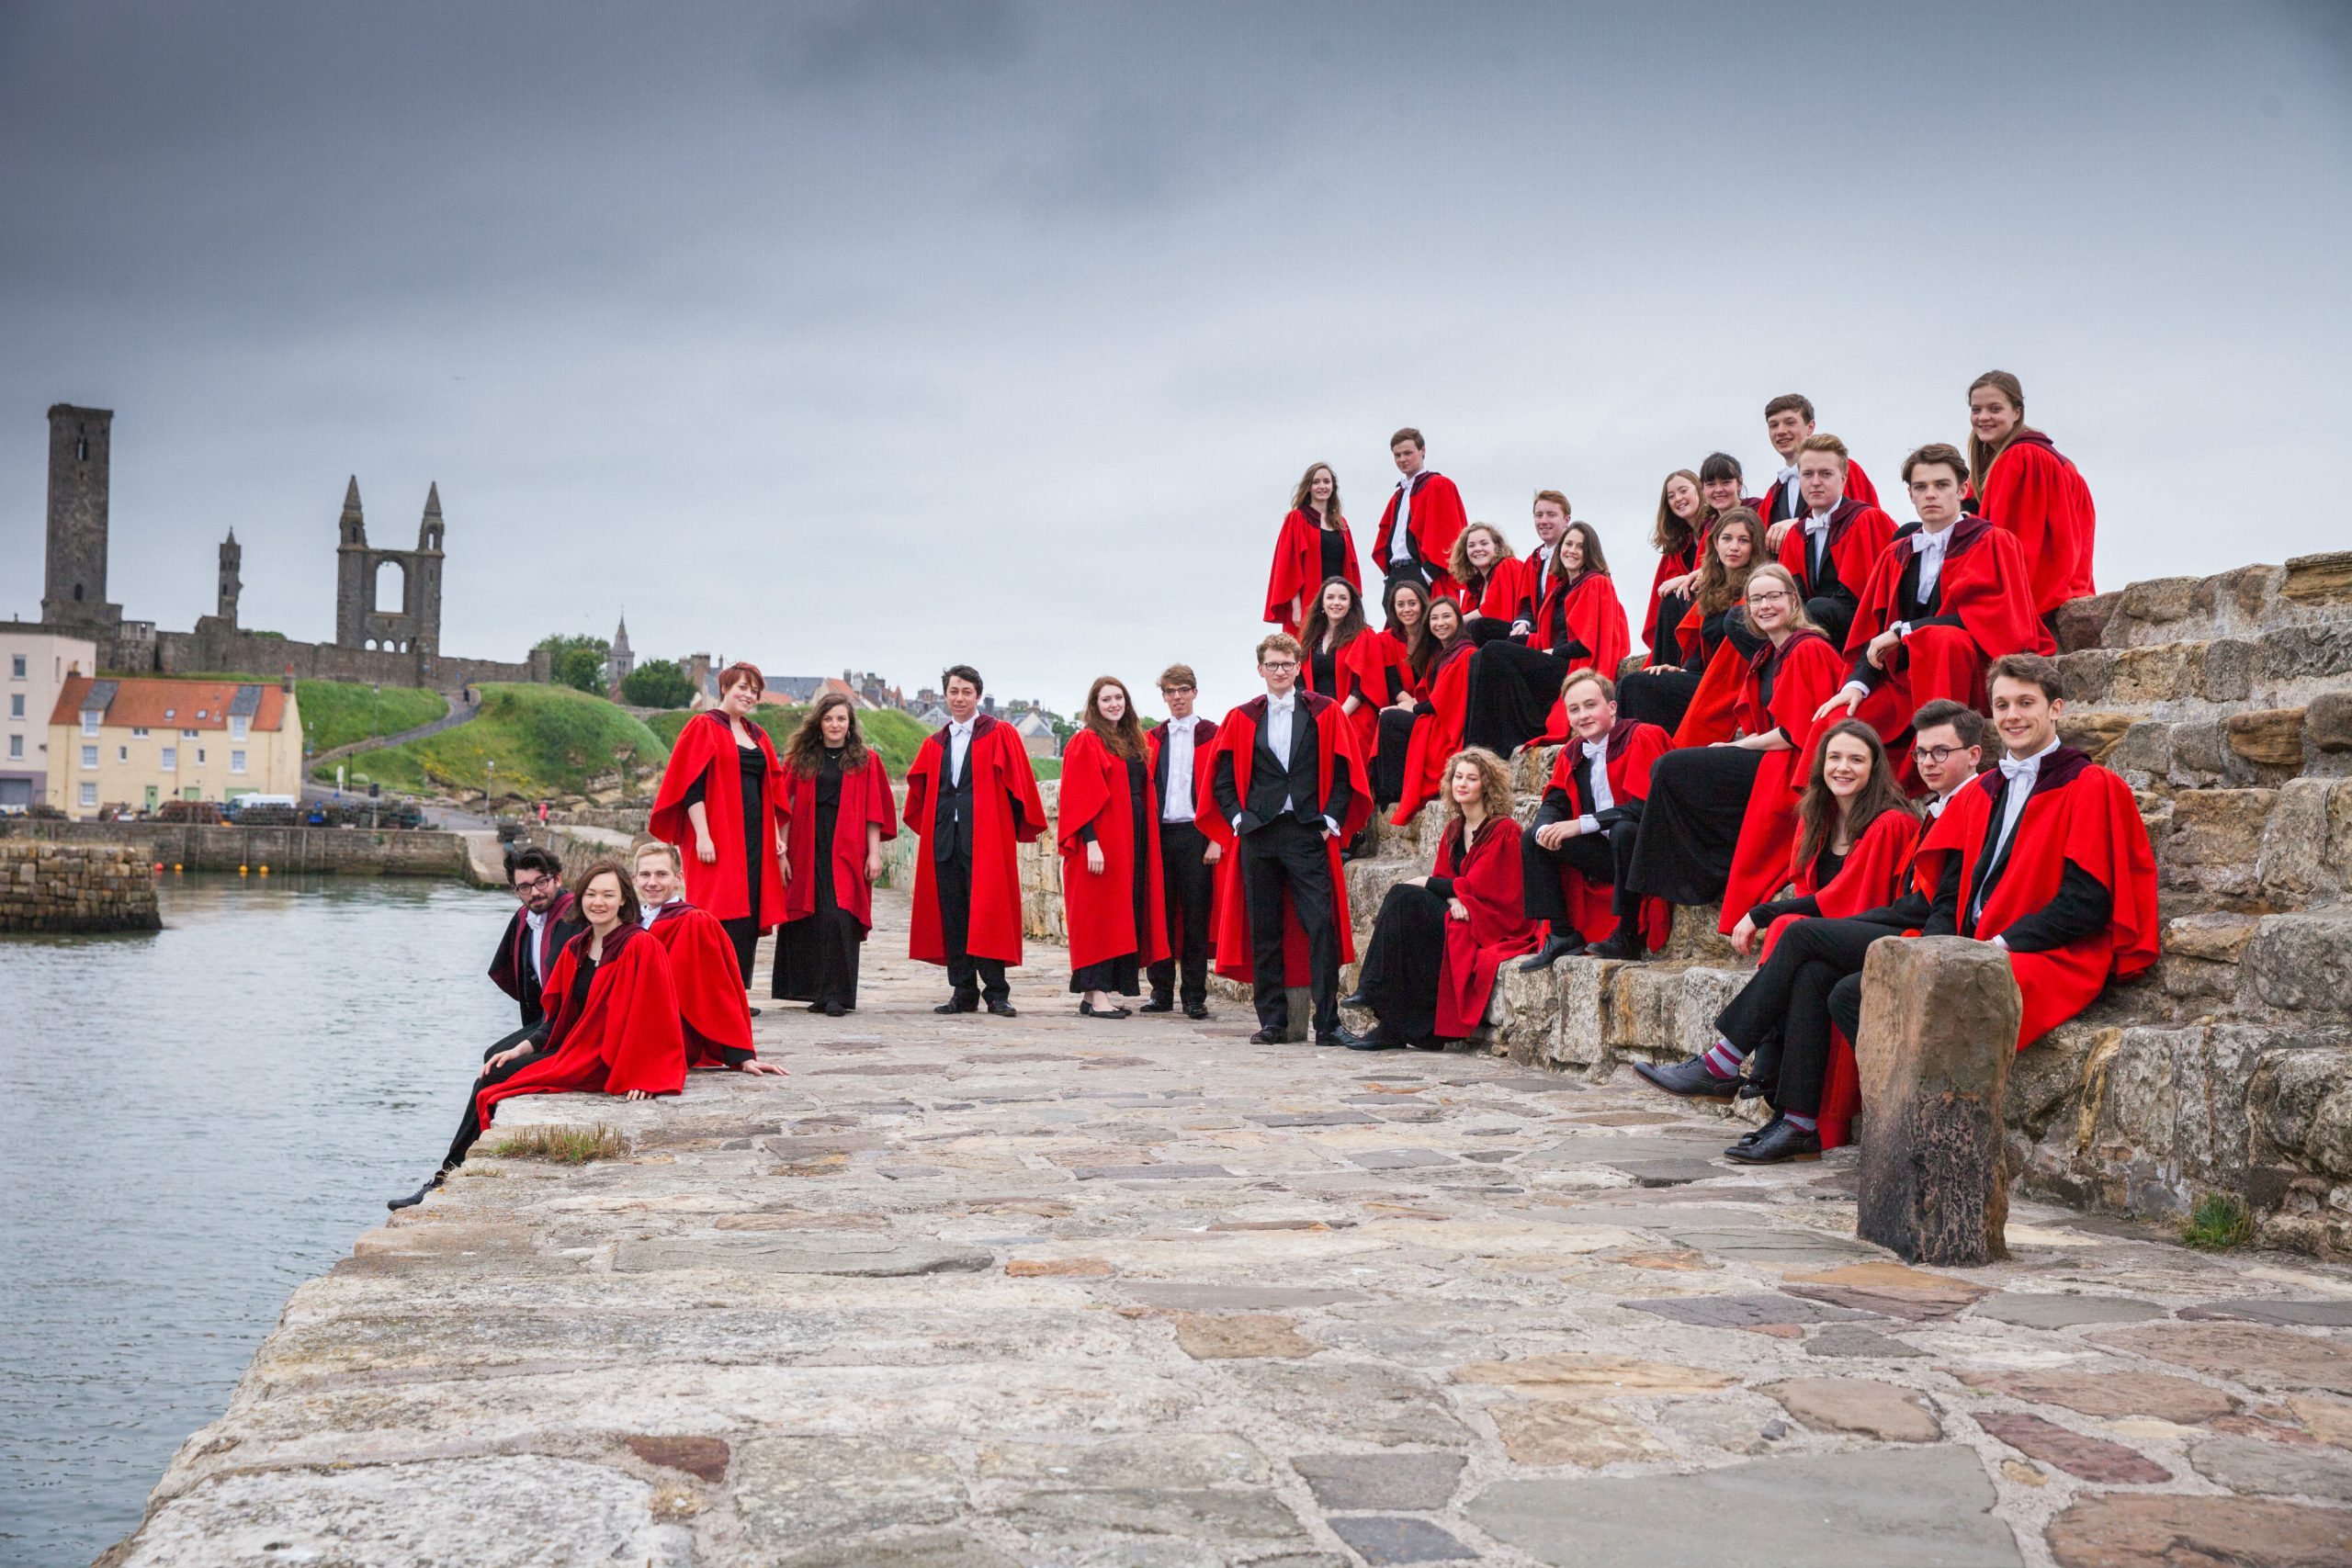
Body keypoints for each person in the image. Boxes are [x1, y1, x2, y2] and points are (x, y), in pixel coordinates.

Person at [1634, 722, 1920, 1163]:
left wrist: (1765, 913)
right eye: (1835, 757)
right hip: (1829, 945)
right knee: (1809, 971)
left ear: (1875, 768)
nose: (1843, 767)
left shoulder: (1890, 823)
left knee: (1795, 931)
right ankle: (1799, 1124)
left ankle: (1723, 1061)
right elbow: (1815, 897)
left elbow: (1846, 900)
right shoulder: (1818, 820)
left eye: (1856, 759)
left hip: (1877, 934)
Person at [390, 860, 684, 1210]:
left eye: (609, 894)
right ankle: (448, 1174)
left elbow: (657, 1017)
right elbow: (555, 1021)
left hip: (606, 1058)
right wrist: (520, 1049)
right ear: (582, 899)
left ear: (624, 900)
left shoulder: (640, 945)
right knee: (494, 1068)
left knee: (493, 1084)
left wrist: (646, 1074)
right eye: (591, 894)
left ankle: (445, 1177)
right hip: (573, 1047)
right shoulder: (578, 946)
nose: (598, 902)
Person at [1618, 563, 1847, 954]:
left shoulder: (1807, 648)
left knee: (1673, 768)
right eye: (1756, 599)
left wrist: (1738, 746)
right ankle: (1694, 873)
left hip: (1795, 766)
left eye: (1774, 596)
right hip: (1776, 755)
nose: (1764, 605)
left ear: (1793, 601)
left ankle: (1687, 877)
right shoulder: (1771, 654)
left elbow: (1797, 732)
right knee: (1669, 767)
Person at [1815, 443, 2048, 760]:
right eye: (1921, 487)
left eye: (1941, 485)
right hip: (1905, 682)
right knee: (1834, 725)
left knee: (1942, 640)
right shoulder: (1897, 553)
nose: (1930, 495)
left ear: (1963, 488)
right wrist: (1856, 685)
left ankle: (1938, 759)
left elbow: (1994, 619)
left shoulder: (1993, 542)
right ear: (1910, 494)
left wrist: (1905, 631)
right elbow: (1873, 632)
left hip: (1965, 678)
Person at [1209, 632, 1370, 1044]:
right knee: (1264, 931)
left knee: (1320, 926)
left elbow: (1343, 771)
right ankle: (1273, 1022)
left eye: (1287, 664)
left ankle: (1328, 1024)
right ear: (1260, 669)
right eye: (1272, 665)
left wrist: (1331, 819)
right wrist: (1238, 819)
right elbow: (1221, 780)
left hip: (1305, 832)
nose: (1279, 671)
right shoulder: (1242, 716)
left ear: (1298, 667)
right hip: (1259, 836)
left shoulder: (1324, 711)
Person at [1340, 747, 1539, 1051]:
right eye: (1458, 776)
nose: (1462, 783)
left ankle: (1373, 991)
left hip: (1493, 921)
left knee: (1405, 894)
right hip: (1460, 911)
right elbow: (1449, 882)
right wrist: (1452, 897)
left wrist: (1435, 885)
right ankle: (1391, 1024)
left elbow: (1486, 887)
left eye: (1472, 778)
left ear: (1487, 785)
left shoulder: (1504, 830)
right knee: (1405, 909)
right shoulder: (1454, 828)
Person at [904, 665, 1046, 1016]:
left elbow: (1019, 788)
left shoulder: (999, 734)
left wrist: (1003, 830)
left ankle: (997, 992)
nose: (959, 698)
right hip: (946, 839)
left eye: (967, 692)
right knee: (952, 915)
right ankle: (963, 990)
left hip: (985, 841)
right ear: (945, 695)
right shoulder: (936, 742)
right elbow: (923, 792)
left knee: (988, 915)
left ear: (978, 695)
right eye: (954, 692)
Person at [1518, 670, 1673, 969]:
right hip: (1606, 857)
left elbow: (1646, 808)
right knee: (1533, 839)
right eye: (1574, 709)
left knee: (1624, 831)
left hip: (1646, 853)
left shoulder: (1641, 736)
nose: (1583, 715)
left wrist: (1583, 823)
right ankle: (1562, 934)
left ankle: (1626, 935)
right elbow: (1554, 801)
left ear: (1612, 707)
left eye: (1591, 705)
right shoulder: (1573, 752)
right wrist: (1542, 828)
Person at [650, 662, 787, 990]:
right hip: (718, 836)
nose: (748, 695)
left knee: (749, 913)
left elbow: (768, 788)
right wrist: (703, 836)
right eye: (742, 687)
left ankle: (738, 991)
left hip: (755, 838)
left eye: (754, 691)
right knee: (718, 911)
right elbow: (691, 786)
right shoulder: (703, 726)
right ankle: (713, 992)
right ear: (725, 687)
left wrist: (775, 835)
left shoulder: (758, 735)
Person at [773, 692, 897, 1017]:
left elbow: (874, 813)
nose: (835, 724)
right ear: (819, 722)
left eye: (841, 718)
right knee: (811, 916)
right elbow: (785, 807)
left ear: (850, 723)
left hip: (848, 846)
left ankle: (838, 994)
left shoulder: (865, 760)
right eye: (829, 718)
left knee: (840, 916)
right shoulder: (801, 760)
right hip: (806, 844)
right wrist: (781, 853)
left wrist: (874, 854)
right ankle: (816, 992)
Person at [1462, 520, 1629, 756]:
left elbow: (1585, 644)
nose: (1571, 550)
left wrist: (1550, 652)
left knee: (1494, 652)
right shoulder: (1563, 587)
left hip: (1572, 665)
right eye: (1567, 544)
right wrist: (1529, 644)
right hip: (1556, 657)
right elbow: (1549, 635)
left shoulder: (1595, 583)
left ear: (1588, 552)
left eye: (1579, 546)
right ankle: (1474, 748)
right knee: (1480, 656)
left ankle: (1489, 747)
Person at [1058, 675, 1168, 1017]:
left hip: (1129, 841)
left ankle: (1094, 996)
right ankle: (1098, 993)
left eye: (1118, 698)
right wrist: (1091, 843)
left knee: (1119, 915)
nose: (1113, 704)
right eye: (1106, 700)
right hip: (1102, 843)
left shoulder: (1131, 741)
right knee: (1097, 917)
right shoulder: (1086, 741)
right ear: (1094, 706)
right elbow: (1079, 797)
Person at [633, 840, 787, 1074]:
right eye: (645, 874)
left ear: (679, 878)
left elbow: (717, 990)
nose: (652, 882)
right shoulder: (628, 922)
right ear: (635, 879)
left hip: (670, 1036)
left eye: (662, 874)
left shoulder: (695, 923)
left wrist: (741, 1056)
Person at [1968, 370, 2098, 619]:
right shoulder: (2023, 458)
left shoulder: (2024, 458)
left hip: (2038, 592)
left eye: (1995, 409)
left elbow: (2016, 542)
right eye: (1976, 410)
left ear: (2017, 412)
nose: (1983, 417)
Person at [1620, 507, 1760, 737]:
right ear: (1715, 544)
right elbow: (1705, 649)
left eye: (1743, 540)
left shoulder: (1758, 587)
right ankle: (1632, 758)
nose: (1734, 546)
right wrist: (1680, 670)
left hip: (1733, 688)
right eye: (1727, 538)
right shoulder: (1713, 589)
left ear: (1754, 546)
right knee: (1635, 684)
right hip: (1707, 680)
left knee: (1635, 686)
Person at [1144, 665, 1221, 1019]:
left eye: (1183, 690)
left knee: (1194, 916)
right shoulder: (1151, 738)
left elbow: (1224, 789)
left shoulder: (1212, 734)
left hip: (1196, 835)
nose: (1177, 697)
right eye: (1171, 691)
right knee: (1160, 914)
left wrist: (1217, 838)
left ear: (1195, 692)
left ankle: (1194, 995)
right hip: (1160, 835)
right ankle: (1160, 992)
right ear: (1164, 696)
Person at [1770, 434, 1894, 649]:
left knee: (1815, 608)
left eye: (1825, 474)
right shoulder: (1798, 532)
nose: (1815, 482)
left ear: (1843, 478)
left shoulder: (1865, 519)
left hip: (1860, 628)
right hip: (1812, 621)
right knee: (1741, 619)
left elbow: (1862, 599)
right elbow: (1792, 593)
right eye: (1807, 474)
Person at [1388, 596, 1474, 822]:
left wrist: (1412, 708)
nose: (1440, 623)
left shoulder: (1465, 653)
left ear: (1458, 620)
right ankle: (1389, 795)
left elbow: (1444, 701)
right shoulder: (1439, 655)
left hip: (1447, 727)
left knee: (1391, 720)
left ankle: (1396, 795)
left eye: (1446, 616)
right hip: (1436, 717)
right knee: (1388, 720)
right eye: (1434, 618)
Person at [487, 845, 582, 1032]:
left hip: (571, 1025)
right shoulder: (523, 917)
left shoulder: (574, 917)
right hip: (541, 1022)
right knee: (494, 1057)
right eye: (525, 887)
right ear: (516, 891)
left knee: (501, 1061)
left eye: (541, 882)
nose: (535, 892)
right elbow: (507, 972)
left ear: (557, 879)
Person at [1370, 427, 1469, 599]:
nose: (1402, 459)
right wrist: (1389, 576)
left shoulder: (1438, 485)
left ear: (1422, 450)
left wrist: (1426, 575)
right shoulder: (1399, 494)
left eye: (1408, 453)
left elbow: (1451, 535)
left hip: (1423, 574)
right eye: (1397, 455)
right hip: (1397, 576)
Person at [1264, 461, 1360, 637]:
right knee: (1308, 650)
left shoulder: (1341, 523)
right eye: (1316, 482)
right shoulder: (1297, 519)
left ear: (1333, 486)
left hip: (1337, 602)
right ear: (1308, 487)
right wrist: (1297, 608)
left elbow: (1350, 566)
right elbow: (1290, 566)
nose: (1322, 486)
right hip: (1309, 600)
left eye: (1326, 481)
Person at [1758, 392, 1879, 527]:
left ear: (1810, 427)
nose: (1780, 431)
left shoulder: (1844, 470)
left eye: (1790, 423)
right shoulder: (1772, 495)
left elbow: (1863, 527)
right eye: (1773, 425)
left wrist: (1797, 525)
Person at [1351, 578, 1424, 802]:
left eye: (1412, 603)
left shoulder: (1434, 634)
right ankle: (1390, 793)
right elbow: (1392, 683)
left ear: (1422, 604)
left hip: (1432, 704)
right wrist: (1410, 703)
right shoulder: (1386, 640)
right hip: (1404, 701)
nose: (1406, 609)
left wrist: (1419, 705)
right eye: (1400, 605)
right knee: (1387, 718)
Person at [1640, 470, 1708, 669]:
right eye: (1671, 496)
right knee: (1671, 600)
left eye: (1683, 490)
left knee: (1675, 599)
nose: (1678, 498)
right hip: (1681, 615)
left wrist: (1685, 579)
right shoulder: (1678, 545)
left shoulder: (1717, 530)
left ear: (1699, 491)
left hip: (1706, 608)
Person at [1448, 523, 1534, 645]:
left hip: (1516, 634)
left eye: (1484, 543)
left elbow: (1491, 610)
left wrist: (1453, 620)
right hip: (1490, 643)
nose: (1478, 549)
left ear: (1497, 546)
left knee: (1477, 626)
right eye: (1471, 545)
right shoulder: (1476, 584)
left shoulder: (1507, 565)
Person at [1300, 577, 1370, 705]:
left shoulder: (1363, 636)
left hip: (1350, 714)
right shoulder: (1310, 639)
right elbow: (1300, 683)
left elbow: (1362, 685)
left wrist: (1338, 717)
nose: (1336, 602)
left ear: (1350, 605)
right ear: (1322, 603)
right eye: (1330, 597)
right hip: (1316, 714)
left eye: (1343, 598)